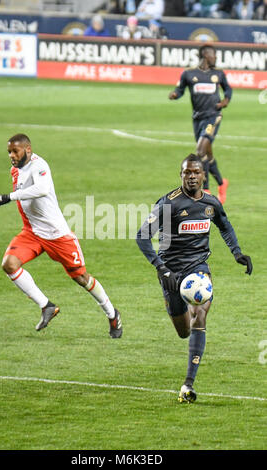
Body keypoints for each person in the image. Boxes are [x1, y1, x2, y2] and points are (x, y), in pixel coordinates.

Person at [136, 153, 252, 403]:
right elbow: (142, 236)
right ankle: (181, 308)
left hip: (198, 268)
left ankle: (187, 385)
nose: (191, 176)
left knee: (200, 314)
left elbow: (225, 225)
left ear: (203, 175)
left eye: (196, 172)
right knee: (183, 331)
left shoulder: (211, 203)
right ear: (181, 175)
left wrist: (237, 253)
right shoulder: (169, 204)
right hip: (171, 272)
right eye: (186, 172)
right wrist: (160, 267)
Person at [0, 134, 122, 338]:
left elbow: (42, 189)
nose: (11, 155)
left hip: (56, 235)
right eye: (9, 151)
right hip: (32, 233)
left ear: (27, 149)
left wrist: (9, 197)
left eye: (15, 151)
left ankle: (112, 314)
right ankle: (47, 306)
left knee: (81, 278)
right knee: (9, 264)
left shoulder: (39, 165)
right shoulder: (15, 170)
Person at [169, 44, 232, 204]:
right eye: (214, 54)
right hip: (198, 118)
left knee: (200, 150)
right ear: (205, 55)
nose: (216, 57)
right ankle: (222, 183)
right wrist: (175, 94)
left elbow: (228, 89)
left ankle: (206, 189)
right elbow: (180, 89)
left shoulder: (218, 73)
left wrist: (225, 100)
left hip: (214, 115)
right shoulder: (189, 73)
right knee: (207, 154)